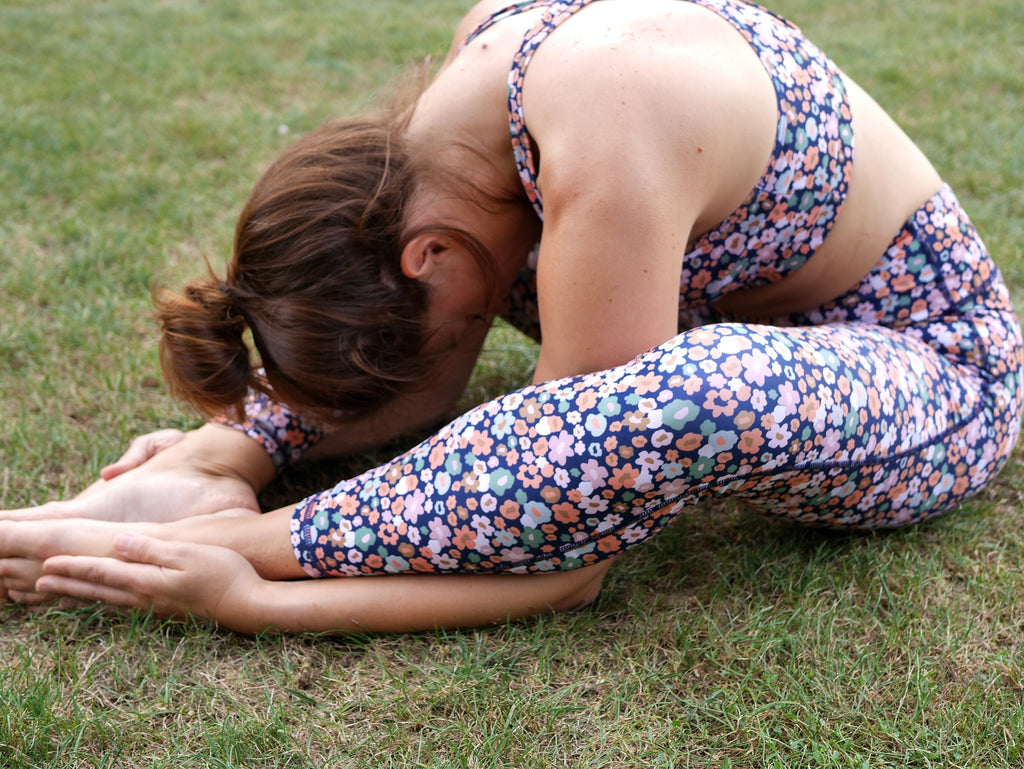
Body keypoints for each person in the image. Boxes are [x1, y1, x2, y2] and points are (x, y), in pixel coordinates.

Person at [1, 0, 1020, 634]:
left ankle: (236, 518)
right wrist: (234, 450)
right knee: (533, 326)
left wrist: (256, 576)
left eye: (408, 361)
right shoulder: (474, 102)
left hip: (932, 367)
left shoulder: (607, 131)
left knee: (672, 401)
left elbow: (570, 552)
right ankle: (204, 472)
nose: (433, 381)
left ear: (424, 255)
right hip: (719, 290)